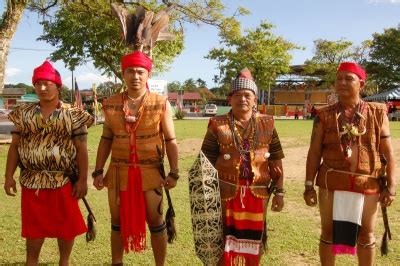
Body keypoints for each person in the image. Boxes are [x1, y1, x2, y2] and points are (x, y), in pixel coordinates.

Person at [304, 62, 396, 265]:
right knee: (328, 232)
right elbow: (314, 153)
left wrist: (391, 186)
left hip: (368, 182)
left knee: (366, 234)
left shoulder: (378, 112)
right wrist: (309, 186)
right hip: (331, 182)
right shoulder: (324, 115)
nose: (342, 83)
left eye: (349, 79)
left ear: (361, 84)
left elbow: (388, 152)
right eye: (339, 79)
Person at [93, 51, 179, 266]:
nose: (135, 76)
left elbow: (170, 140)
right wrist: (97, 170)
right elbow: (106, 138)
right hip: (118, 171)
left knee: (156, 221)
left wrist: (174, 171)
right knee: (117, 222)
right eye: (130, 71)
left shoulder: (161, 103)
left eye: (140, 71)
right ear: (123, 74)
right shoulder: (111, 103)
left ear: (148, 75)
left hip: (150, 171)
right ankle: (117, 262)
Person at [4, 61, 93, 265]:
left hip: (63, 180)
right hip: (31, 180)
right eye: (38, 84)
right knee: (34, 229)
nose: (42, 88)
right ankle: (31, 262)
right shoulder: (23, 113)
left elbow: (81, 149)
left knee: (66, 226)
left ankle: (64, 262)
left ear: (58, 86)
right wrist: (8, 176)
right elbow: (15, 146)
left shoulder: (73, 114)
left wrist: (82, 180)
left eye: (47, 83)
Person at [200, 68, 285, 265]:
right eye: (237, 95)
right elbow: (206, 161)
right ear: (230, 99)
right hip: (226, 191)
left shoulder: (268, 123)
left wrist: (280, 192)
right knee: (223, 240)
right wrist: (206, 196)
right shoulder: (216, 124)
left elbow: (277, 160)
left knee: (256, 241)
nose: (243, 99)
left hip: (258, 192)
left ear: (255, 99)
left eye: (248, 95)